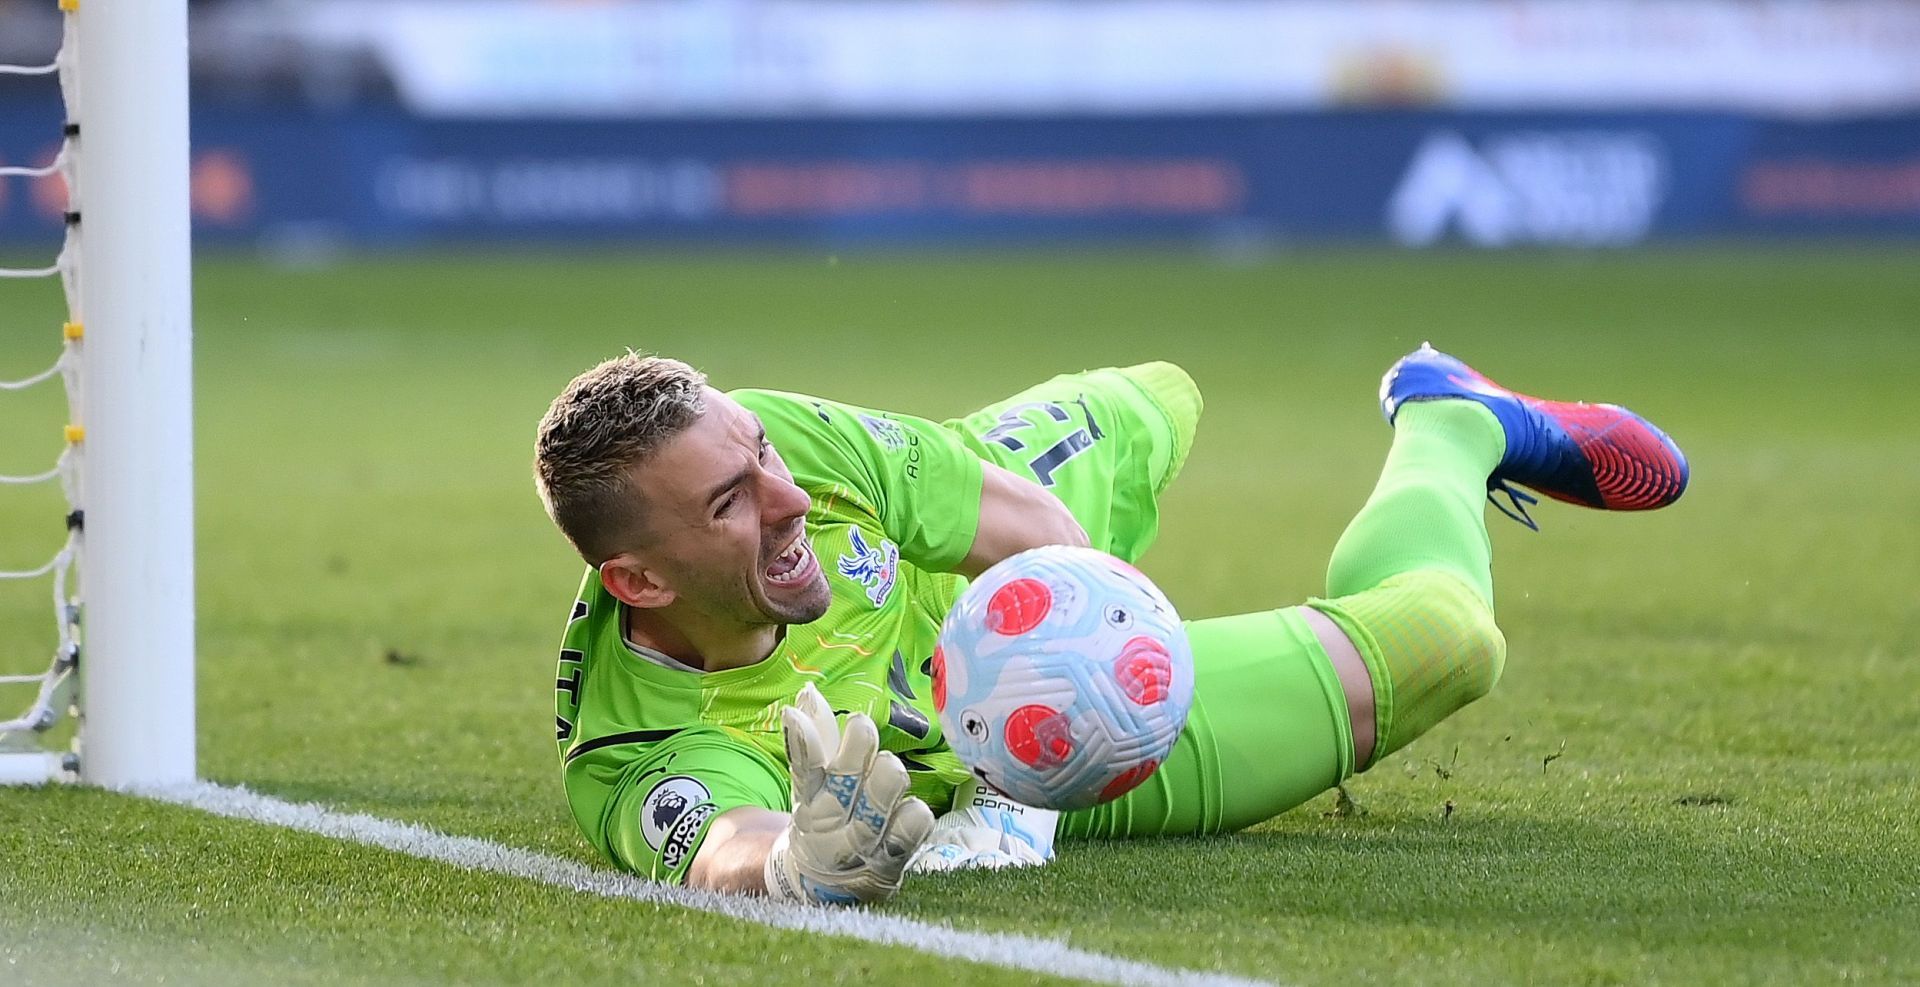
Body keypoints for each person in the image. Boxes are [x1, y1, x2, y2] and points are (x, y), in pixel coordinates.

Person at [533, 345, 1688, 904]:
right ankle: (1453, 426)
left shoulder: (797, 448)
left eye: (763, 458)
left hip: (1014, 623)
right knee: (1450, 641)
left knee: (1153, 403)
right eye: (730, 504)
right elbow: (721, 848)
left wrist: (1062, 688)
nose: (785, 499)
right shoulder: (638, 748)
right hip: (1000, 754)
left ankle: (1424, 398)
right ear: (639, 582)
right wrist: (795, 862)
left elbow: (1026, 521)